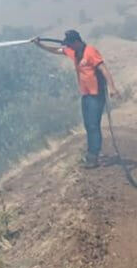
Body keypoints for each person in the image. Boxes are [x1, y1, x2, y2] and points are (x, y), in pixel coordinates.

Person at [32, 29, 114, 168]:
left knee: (94, 125)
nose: (68, 46)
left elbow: (103, 69)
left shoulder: (91, 51)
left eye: (70, 44)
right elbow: (57, 50)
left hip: (97, 94)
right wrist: (39, 45)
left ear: (77, 42)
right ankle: (93, 152)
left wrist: (112, 87)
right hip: (86, 94)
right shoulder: (73, 51)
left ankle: (93, 156)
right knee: (88, 125)